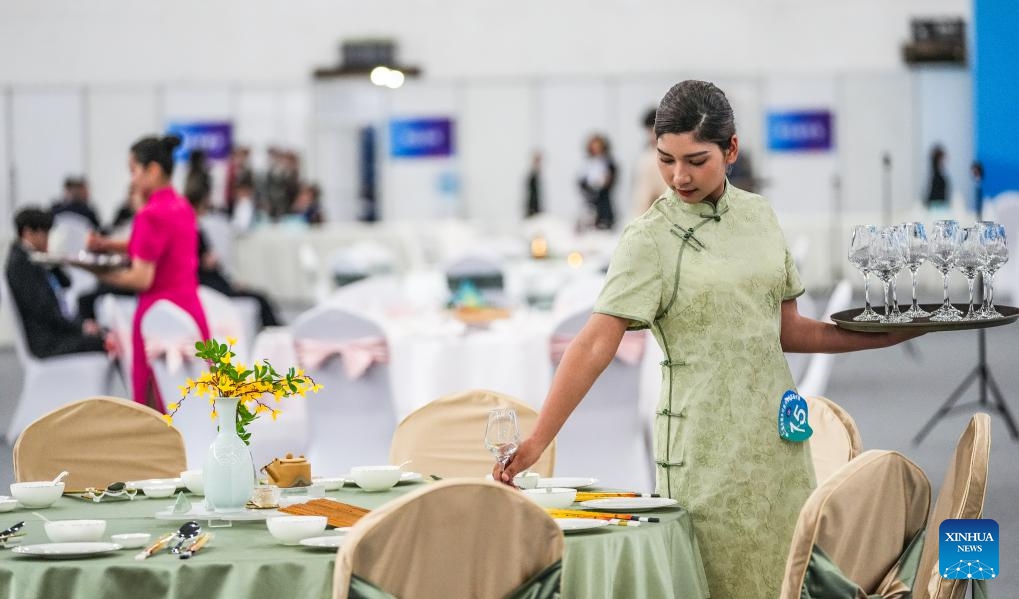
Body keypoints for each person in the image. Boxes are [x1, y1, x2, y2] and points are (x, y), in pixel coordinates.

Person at [494, 80, 921, 598]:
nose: (679, 176)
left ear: (731, 149)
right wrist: (540, 438)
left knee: (784, 579)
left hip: (780, 447)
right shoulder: (648, 239)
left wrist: (880, 337)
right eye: (666, 159)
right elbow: (593, 344)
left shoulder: (760, 216)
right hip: (703, 453)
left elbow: (787, 330)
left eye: (696, 160)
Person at [91, 134, 210, 411]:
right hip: (190, 312)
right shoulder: (182, 207)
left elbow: (141, 278)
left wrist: (98, 272)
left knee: (155, 404)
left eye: (134, 171)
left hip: (158, 318)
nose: (132, 180)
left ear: (152, 170)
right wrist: (108, 245)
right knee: (195, 401)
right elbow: (154, 246)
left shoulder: (150, 214)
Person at [5, 208, 111, 358]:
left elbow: (65, 283)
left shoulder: (33, 258)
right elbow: (45, 311)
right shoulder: (21, 265)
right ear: (28, 232)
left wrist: (52, 260)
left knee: (105, 334)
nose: (47, 240)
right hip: (48, 342)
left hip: (54, 332)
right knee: (106, 341)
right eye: (45, 235)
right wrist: (81, 327)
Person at [187, 186, 281, 328]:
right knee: (260, 299)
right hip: (209, 283)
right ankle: (274, 331)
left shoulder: (196, 230)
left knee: (259, 297)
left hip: (214, 280)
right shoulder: (192, 232)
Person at [630, 108, 667, 217]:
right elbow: (642, 197)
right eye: (648, 131)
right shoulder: (646, 156)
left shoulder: (671, 154)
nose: (651, 135)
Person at [578, 134, 617, 229]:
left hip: (603, 201)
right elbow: (581, 181)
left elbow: (611, 179)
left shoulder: (607, 162)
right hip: (589, 200)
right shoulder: (588, 163)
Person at [925, 144, 949, 209]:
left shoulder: (938, 175)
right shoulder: (937, 177)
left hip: (938, 203)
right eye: (942, 158)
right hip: (937, 204)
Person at [525, 151, 543, 217]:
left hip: (535, 210)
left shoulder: (537, 175)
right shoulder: (532, 176)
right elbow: (532, 195)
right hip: (533, 210)